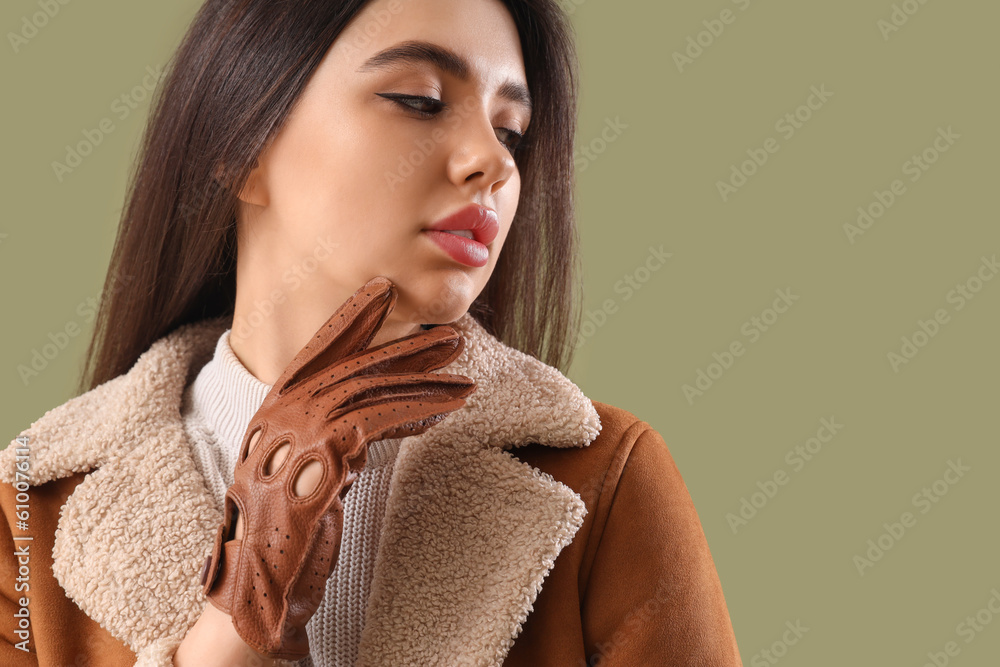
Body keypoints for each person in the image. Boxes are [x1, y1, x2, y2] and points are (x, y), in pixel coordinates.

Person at [0, 0, 743, 665]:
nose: (492, 162)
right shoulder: (29, 509)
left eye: (511, 130)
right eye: (419, 100)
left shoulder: (603, 482)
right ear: (241, 146)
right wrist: (235, 623)